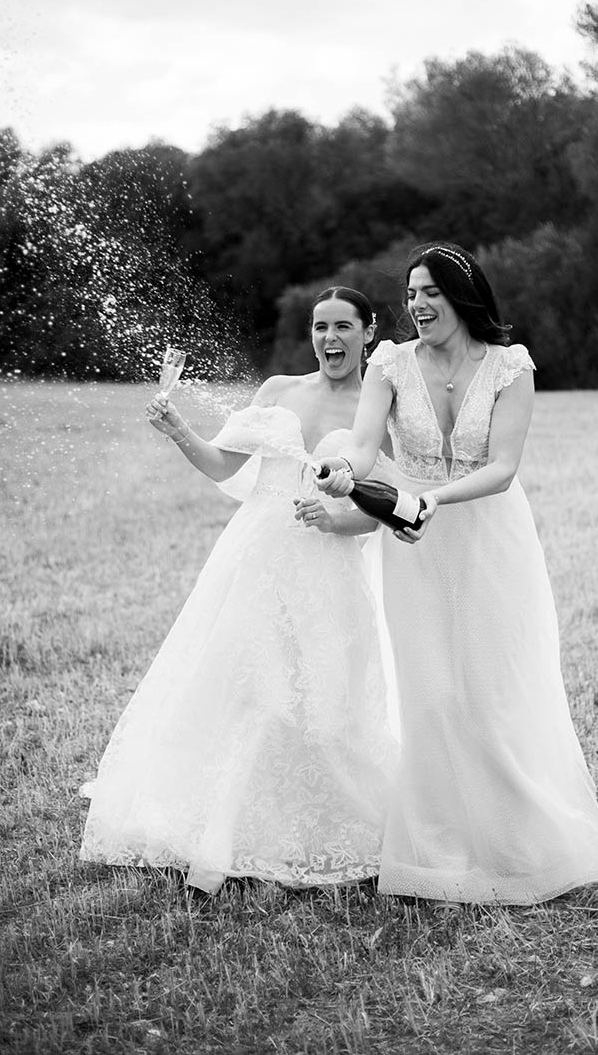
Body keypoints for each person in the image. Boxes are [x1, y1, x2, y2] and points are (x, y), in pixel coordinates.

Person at [317, 242, 598, 904]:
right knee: (430, 692)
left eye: (431, 292)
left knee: (493, 686)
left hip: (491, 537)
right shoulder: (389, 363)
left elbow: (502, 468)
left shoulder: (510, 366)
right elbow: (363, 447)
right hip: (414, 544)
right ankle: (438, 852)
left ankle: (515, 843)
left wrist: (432, 499)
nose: (418, 304)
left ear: (463, 295)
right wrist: (342, 471)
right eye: (411, 293)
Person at [80, 287, 397, 893]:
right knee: (251, 689)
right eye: (320, 326)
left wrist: (338, 519)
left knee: (323, 699)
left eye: (343, 327)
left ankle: (313, 823)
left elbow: (382, 507)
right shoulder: (278, 390)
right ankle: (229, 829)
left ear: (368, 333)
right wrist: (178, 428)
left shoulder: (377, 411)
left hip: (328, 571)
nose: (330, 338)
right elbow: (224, 465)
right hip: (256, 559)